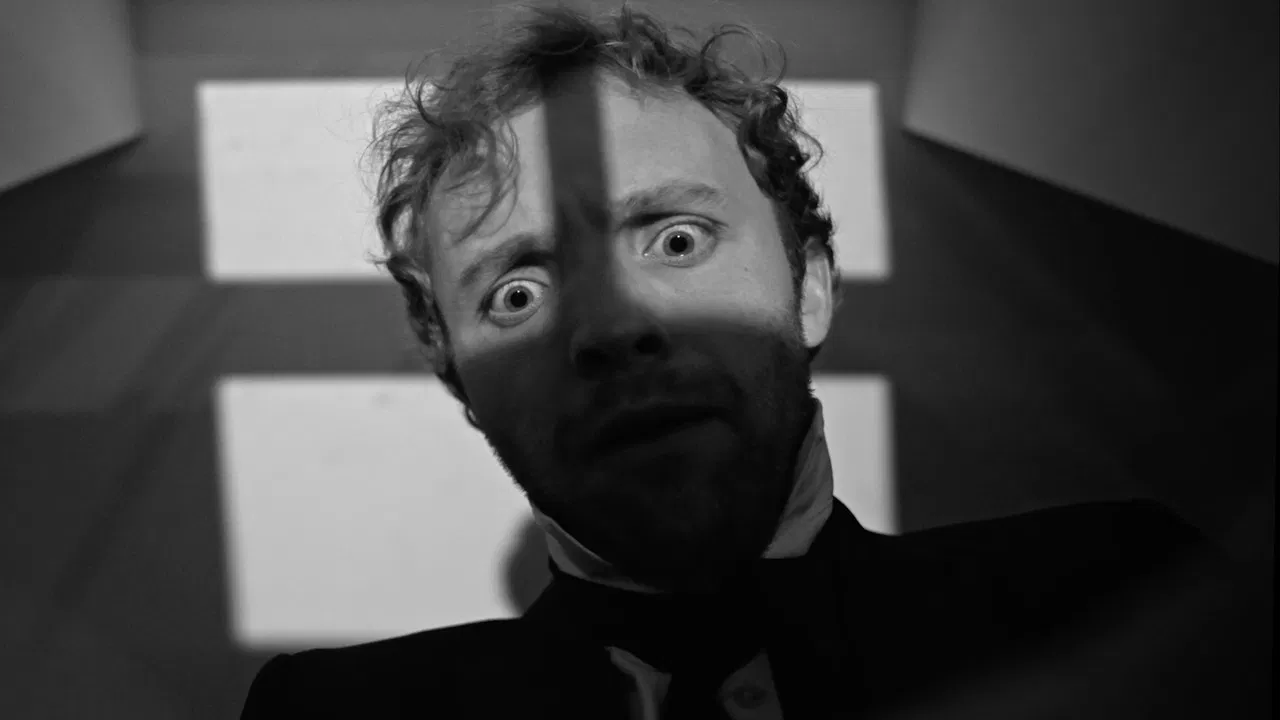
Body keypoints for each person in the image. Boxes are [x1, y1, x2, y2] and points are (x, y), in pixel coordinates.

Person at [241, 4, 1244, 718]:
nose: (612, 328)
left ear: (809, 287)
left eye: (676, 239)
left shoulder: (1122, 601)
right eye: (518, 293)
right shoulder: (336, 714)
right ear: (459, 381)